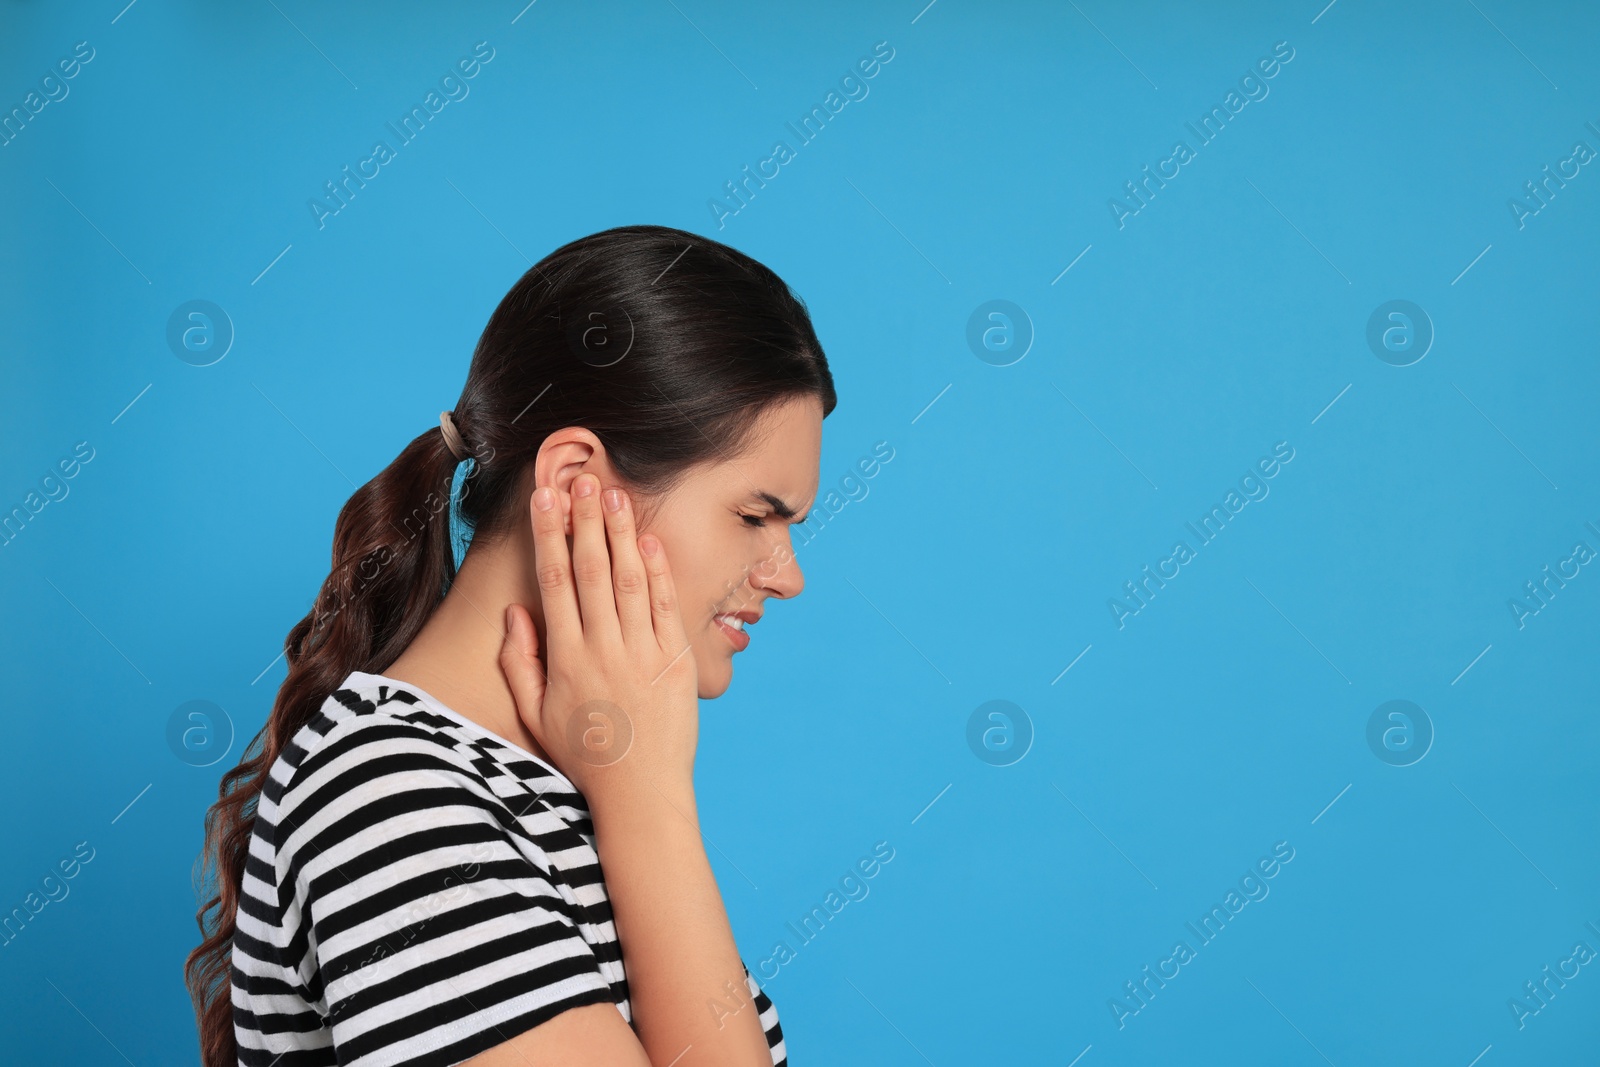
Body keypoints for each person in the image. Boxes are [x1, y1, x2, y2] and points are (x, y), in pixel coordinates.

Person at [183, 224, 836, 1066]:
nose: (787, 576)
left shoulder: (567, 776)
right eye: (754, 516)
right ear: (574, 482)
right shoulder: (387, 799)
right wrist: (647, 797)